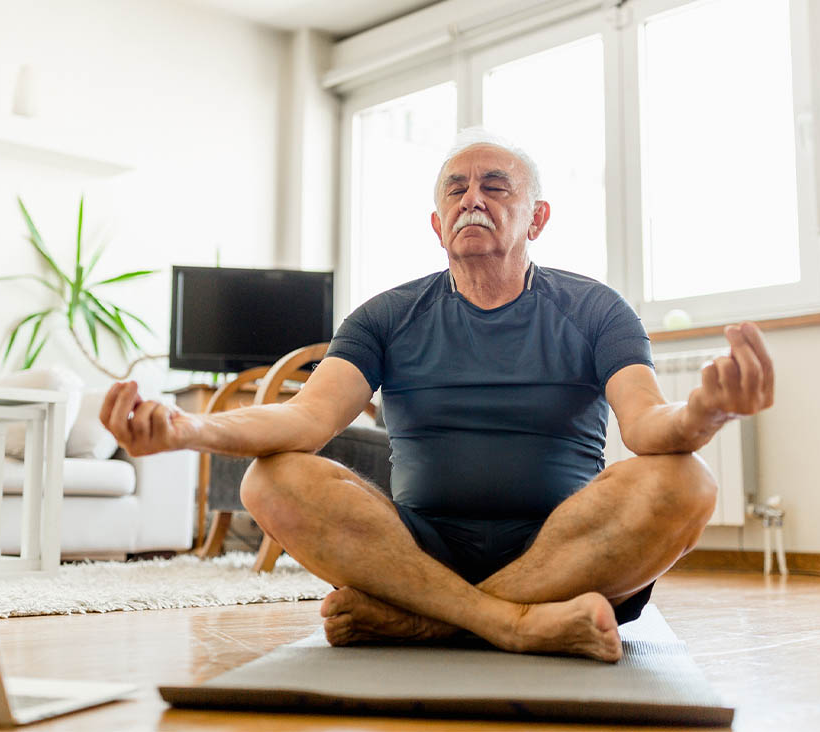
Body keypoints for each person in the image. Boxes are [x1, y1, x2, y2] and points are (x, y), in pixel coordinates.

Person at [100, 130, 774, 662]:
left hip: (568, 556)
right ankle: (509, 624)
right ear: (436, 221)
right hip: (415, 550)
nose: (471, 199)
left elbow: (648, 425)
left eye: (494, 186)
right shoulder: (385, 315)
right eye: (456, 189)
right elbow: (306, 418)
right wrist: (188, 430)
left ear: (536, 217)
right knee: (271, 481)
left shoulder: (596, 308)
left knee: (687, 483)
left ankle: (425, 620)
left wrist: (705, 410)